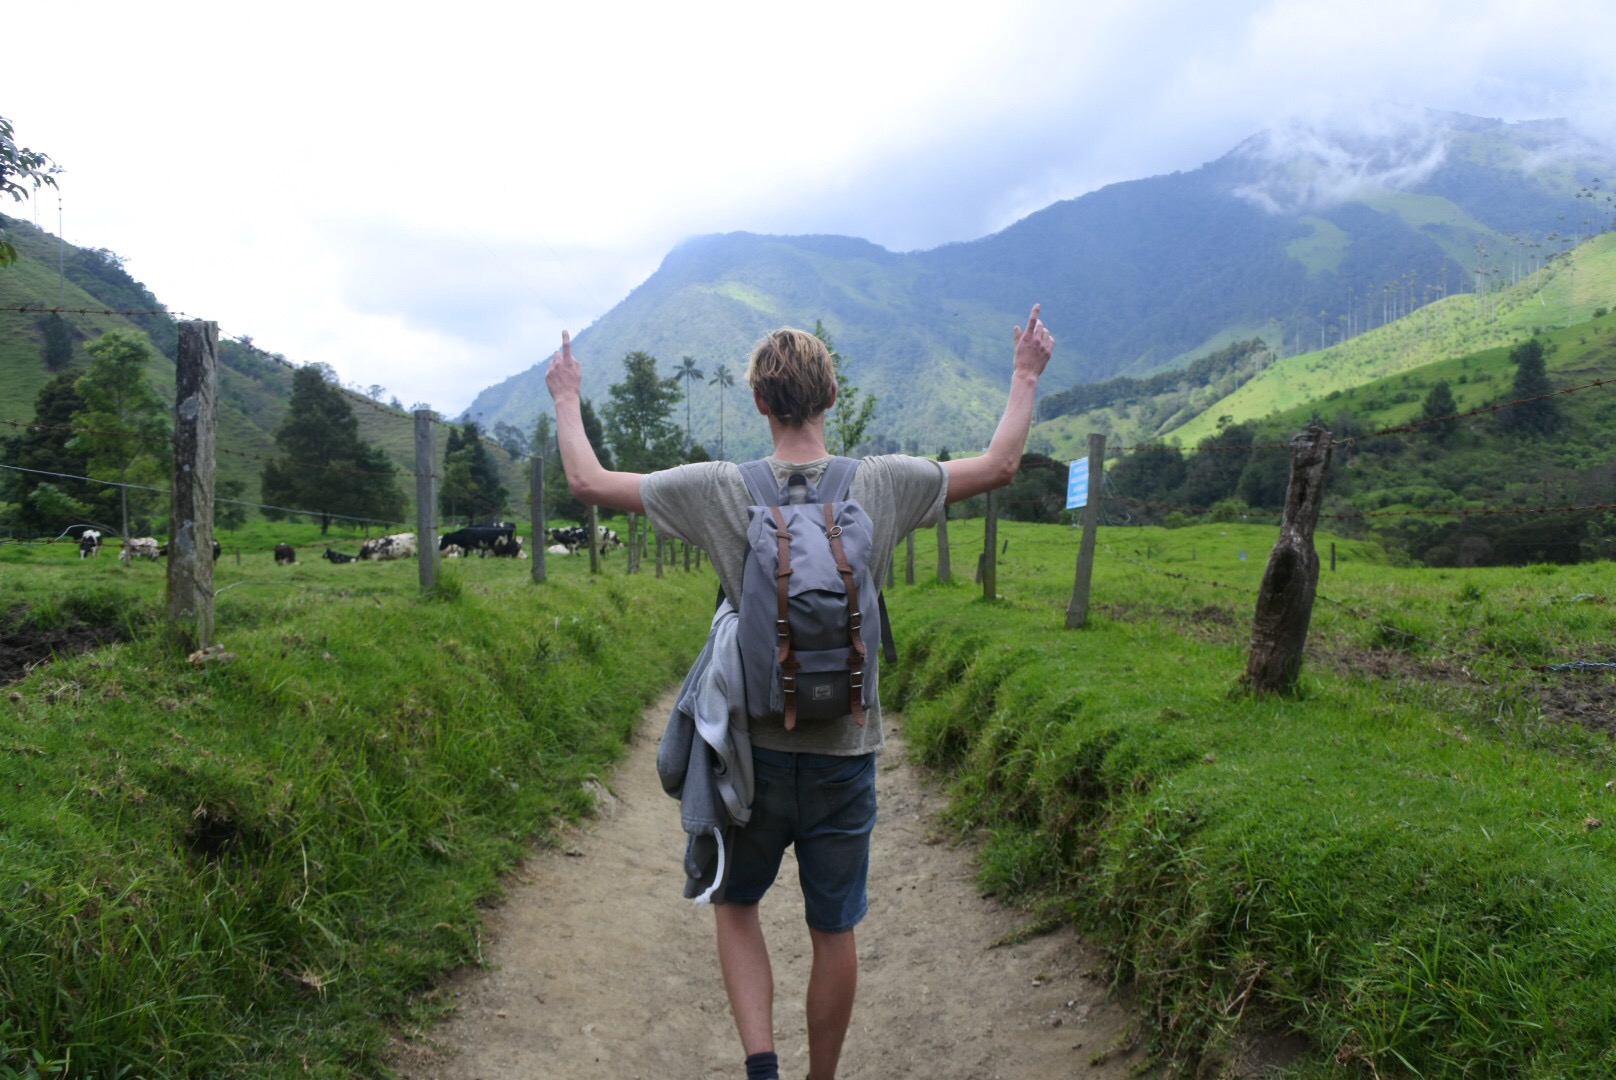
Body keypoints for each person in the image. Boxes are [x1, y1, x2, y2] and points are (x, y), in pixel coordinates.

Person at [544, 304, 1055, 1080]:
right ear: (833, 396)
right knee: (833, 928)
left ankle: (762, 1068)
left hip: (749, 754)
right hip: (844, 751)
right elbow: (1000, 466)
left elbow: (587, 481)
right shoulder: (883, 481)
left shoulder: (719, 488)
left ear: (759, 402)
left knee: (736, 906)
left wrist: (566, 394)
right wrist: (1024, 375)